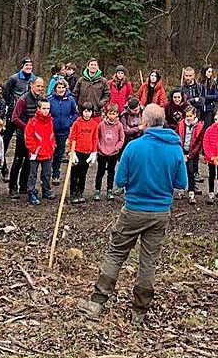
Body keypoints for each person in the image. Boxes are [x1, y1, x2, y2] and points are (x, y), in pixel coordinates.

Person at [80, 104, 187, 326]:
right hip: (160, 213)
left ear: (145, 122)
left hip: (134, 210)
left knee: (116, 253)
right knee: (149, 260)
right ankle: (139, 311)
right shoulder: (175, 148)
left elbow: (119, 182)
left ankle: (97, 302)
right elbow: (181, 184)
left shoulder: (133, 147)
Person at [7, 77, 45, 198]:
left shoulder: (41, 100)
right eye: (37, 86)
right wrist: (28, 128)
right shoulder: (23, 99)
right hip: (22, 135)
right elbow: (15, 118)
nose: (39, 88)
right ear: (32, 85)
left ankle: (23, 186)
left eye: (41, 86)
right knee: (18, 161)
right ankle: (12, 188)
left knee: (30, 161)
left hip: (35, 137)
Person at [24, 97, 56, 204]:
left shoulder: (50, 121)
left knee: (47, 173)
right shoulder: (32, 122)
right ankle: (31, 192)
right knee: (33, 174)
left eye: (48, 108)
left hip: (48, 151)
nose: (46, 111)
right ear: (38, 108)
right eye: (44, 108)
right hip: (36, 153)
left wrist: (53, 146)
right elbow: (28, 138)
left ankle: (46, 190)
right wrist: (34, 149)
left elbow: (52, 135)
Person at [67, 104, 100, 205]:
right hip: (77, 152)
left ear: (92, 112)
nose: (87, 114)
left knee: (83, 174)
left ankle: (80, 192)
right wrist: (71, 152)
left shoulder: (94, 124)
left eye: (89, 111)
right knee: (74, 174)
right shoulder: (77, 123)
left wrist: (94, 152)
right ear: (82, 112)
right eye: (85, 111)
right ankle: (72, 193)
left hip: (87, 153)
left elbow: (95, 139)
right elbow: (72, 138)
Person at [49, 78, 79, 185]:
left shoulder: (70, 100)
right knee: (50, 152)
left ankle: (56, 174)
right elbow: (46, 113)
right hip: (51, 130)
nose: (61, 89)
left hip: (64, 130)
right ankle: (47, 174)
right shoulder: (50, 99)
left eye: (62, 87)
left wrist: (69, 121)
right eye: (59, 87)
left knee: (59, 153)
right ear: (55, 88)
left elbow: (75, 113)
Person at [95, 103, 125, 200]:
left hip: (113, 153)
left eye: (114, 113)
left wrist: (117, 148)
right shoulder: (101, 125)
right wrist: (99, 147)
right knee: (100, 171)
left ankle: (109, 190)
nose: (112, 115)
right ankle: (97, 190)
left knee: (111, 172)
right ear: (107, 114)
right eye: (110, 113)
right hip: (102, 152)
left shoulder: (119, 125)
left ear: (117, 114)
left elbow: (122, 139)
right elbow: (97, 137)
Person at [178, 106, 205, 204]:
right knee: (181, 171)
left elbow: (199, 143)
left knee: (191, 171)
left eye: (190, 116)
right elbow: (178, 138)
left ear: (195, 116)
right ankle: (181, 190)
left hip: (192, 153)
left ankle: (191, 192)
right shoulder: (181, 124)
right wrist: (182, 153)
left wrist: (191, 154)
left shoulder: (199, 126)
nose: (188, 118)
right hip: (182, 151)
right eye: (187, 116)